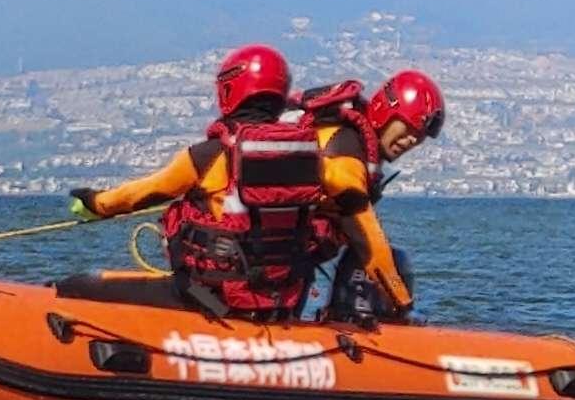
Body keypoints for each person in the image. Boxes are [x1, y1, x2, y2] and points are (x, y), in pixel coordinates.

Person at [59, 47, 413, 322]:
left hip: (210, 299)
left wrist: (94, 203)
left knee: (76, 289)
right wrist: (399, 298)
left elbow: (141, 193)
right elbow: (365, 231)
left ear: (230, 91)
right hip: (281, 302)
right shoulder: (312, 159)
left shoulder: (210, 155)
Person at [315, 70, 446, 323]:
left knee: (392, 257)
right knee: (374, 254)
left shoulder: (358, 148)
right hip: (263, 258)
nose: (412, 140)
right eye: (409, 127)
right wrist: (403, 306)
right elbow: (366, 236)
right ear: (387, 111)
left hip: (284, 261)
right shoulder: (346, 150)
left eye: (419, 136)